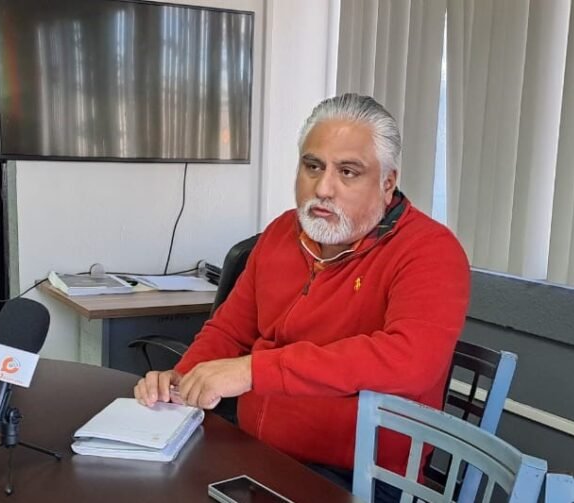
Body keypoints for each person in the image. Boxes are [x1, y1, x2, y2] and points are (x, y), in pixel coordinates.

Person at [134, 94, 470, 500]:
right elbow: (230, 329)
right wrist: (182, 379)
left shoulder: (429, 250)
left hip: (360, 477)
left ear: (387, 183)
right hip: (256, 449)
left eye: (348, 172)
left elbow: (409, 360)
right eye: (313, 166)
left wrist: (253, 371)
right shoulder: (282, 232)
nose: (323, 188)